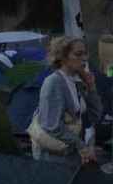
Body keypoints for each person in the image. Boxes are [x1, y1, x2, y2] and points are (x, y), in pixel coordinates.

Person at [29, 37, 103, 165]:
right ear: (63, 57)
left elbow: (95, 115)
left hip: (71, 153)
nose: (84, 58)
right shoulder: (54, 82)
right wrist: (81, 145)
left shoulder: (77, 80)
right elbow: (51, 125)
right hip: (53, 158)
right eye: (78, 54)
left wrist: (91, 88)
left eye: (85, 53)